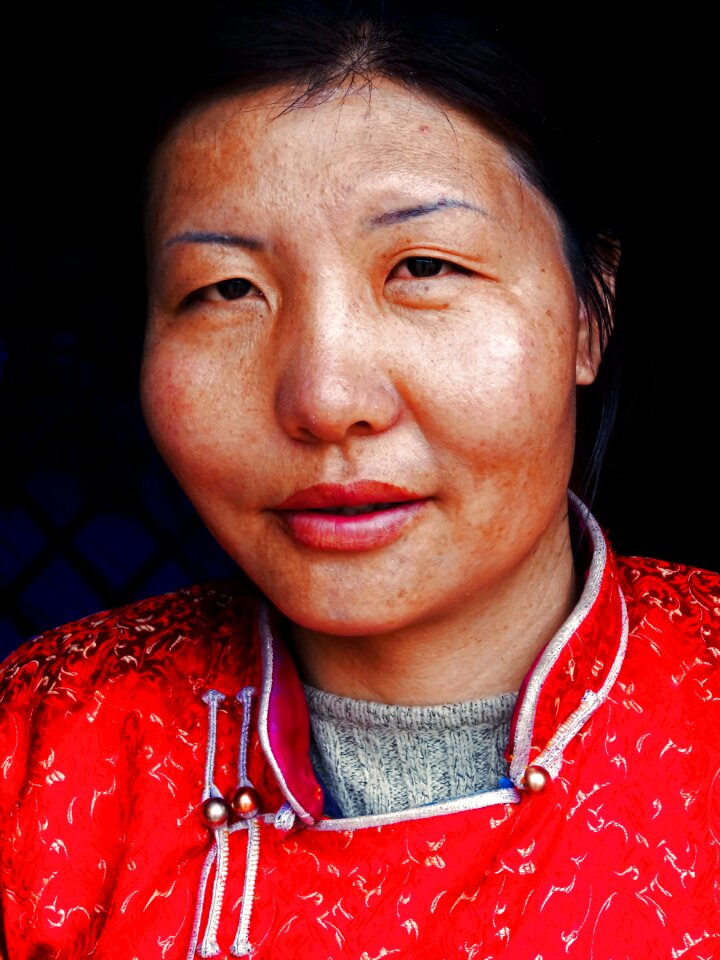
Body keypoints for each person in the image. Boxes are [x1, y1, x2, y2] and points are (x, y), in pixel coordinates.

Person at [1, 4, 718, 958]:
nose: (326, 398)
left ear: (590, 312)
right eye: (225, 290)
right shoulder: (39, 749)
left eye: (423, 267)